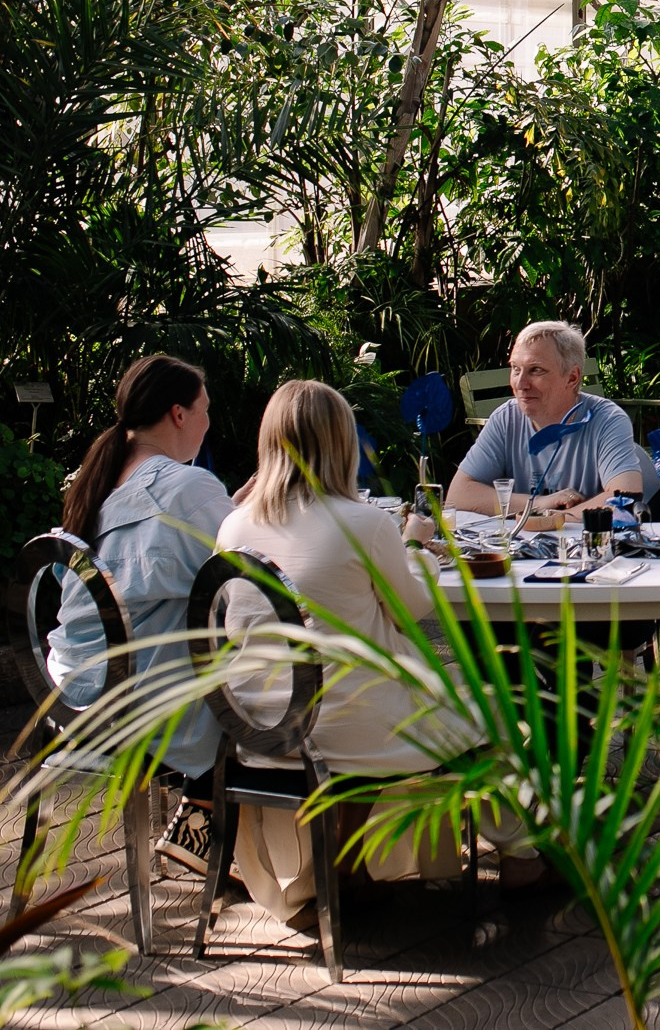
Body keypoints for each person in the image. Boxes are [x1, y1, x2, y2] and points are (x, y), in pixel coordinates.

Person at [217, 380, 518, 924]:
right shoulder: (363, 523)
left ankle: (348, 868)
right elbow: (412, 609)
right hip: (345, 726)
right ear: (341, 443)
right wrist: (414, 543)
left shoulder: (234, 523)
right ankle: (523, 858)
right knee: (495, 706)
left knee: (367, 688)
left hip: (259, 725)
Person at [48, 354, 231, 875]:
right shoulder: (186, 487)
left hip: (70, 693)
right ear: (178, 414)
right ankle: (217, 829)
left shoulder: (98, 479)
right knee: (267, 687)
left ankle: (207, 827)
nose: (208, 422)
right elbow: (245, 579)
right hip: (131, 706)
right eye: (205, 409)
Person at [445, 321, 645, 516]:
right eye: (515, 368)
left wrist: (555, 519)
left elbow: (626, 496)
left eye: (536, 370)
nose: (521, 384)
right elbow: (459, 495)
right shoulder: (506, 419)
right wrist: (538, 504)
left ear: (572, 377)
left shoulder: (607, 420)